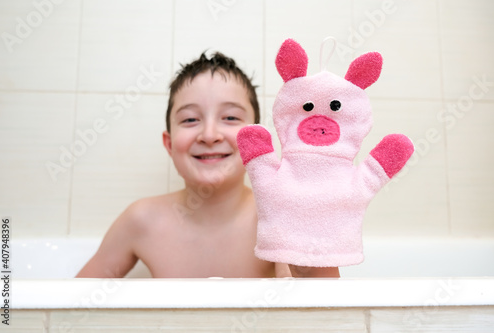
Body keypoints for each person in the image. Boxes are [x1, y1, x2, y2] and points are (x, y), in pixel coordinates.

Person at [76, 51, 339, 278]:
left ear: (256, 140)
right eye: (190, 120)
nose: (210, 135)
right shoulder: (142, 221)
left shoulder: (280, 214)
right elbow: (67, 306)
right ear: (169, 144)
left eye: (230, 117)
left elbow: (327, 310)